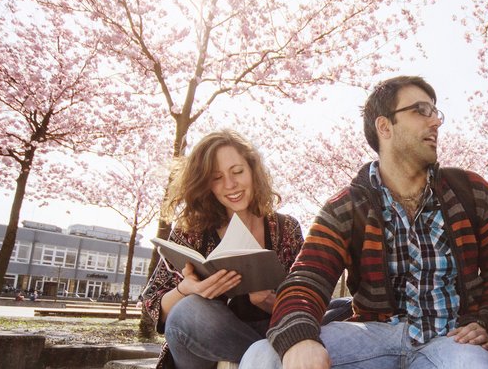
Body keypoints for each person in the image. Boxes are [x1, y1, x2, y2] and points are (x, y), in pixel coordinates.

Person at [240, 76, 488, 369]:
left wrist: (485, 321)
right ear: (384, 126)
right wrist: (299, 339)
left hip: (452, 341)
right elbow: (307, 277)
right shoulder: (346, 206)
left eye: (436, 112)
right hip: (372, 334)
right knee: (263, 356)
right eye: (422, 110)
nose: (436, 121)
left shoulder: (470, 191)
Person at [138, 130, 349, 369]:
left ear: (252, 171)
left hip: (274, 332)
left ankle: (265, 359)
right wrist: (185, 289)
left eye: (237, 172)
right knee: (187, 312)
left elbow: (304, 296)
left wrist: (268, 300)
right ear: (206, 184)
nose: (230, 185)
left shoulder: (286, 228)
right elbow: (153, 304)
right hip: (209, 339)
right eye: (217, 177)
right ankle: (272, 360)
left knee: (346, 307)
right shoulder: (191, 230)